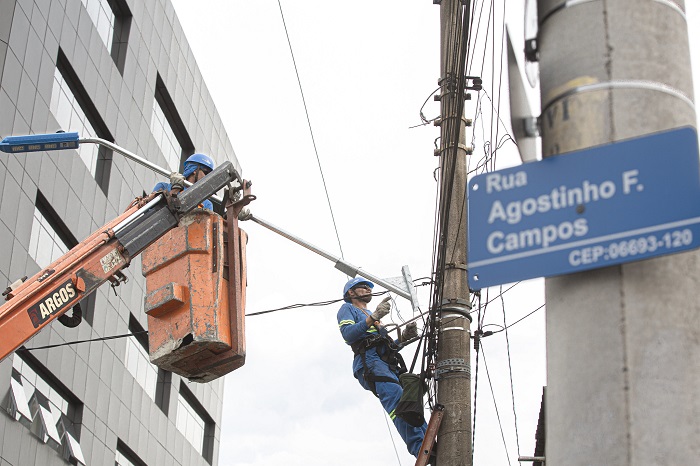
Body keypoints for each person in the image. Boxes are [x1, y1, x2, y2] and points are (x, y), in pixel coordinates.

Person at [337, 277, 426, 457]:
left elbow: (385, 347)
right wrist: (374, 317)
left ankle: (428, 440)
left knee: (410, 400)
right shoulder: (348, 309)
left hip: (385, 363)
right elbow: (348, 335)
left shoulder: (372, 317)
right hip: (369, 363)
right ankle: (419, 447)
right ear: (351, 293)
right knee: (398, 400)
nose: (368, 290)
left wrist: (403, 338)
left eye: (369, 288)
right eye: (363, 287)